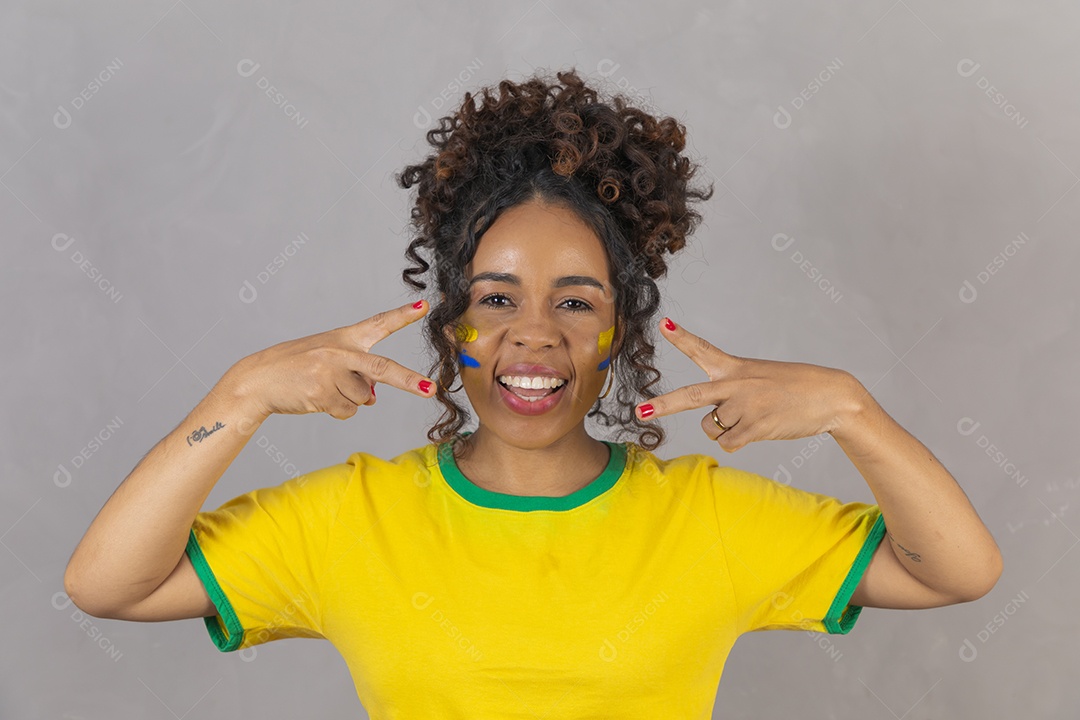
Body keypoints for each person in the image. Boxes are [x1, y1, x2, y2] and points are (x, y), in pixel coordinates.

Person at [64, 68, 1002, 718]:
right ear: (451, 328)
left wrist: (850, 410)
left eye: (576, 301)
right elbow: (108, 585)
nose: (534, 335)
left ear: (617, 334)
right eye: (497, 298)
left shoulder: (707, 521)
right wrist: (240, 397)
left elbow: (956, 571)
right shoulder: (355, 517)